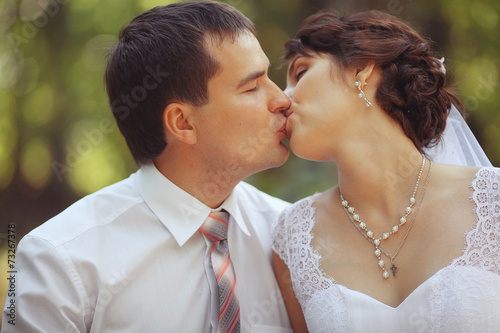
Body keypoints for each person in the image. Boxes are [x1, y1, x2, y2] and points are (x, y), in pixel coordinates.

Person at [2, 2, 294, 332]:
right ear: (183, 122)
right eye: (252, 87)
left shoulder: (293, 236)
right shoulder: (59, 260)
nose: (283, 99)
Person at [272, 10, 500, 333]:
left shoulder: (493, 200)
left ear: (362, 70)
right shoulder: (293, 238)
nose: (283, 98)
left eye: (301, 72)